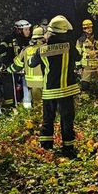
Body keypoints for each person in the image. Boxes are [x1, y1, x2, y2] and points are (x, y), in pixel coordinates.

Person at [29, 16, 81, 159]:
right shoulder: (69, 46)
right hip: (66, 90)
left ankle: (46, 147)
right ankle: (68, 147)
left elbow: (31, 63)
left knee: (48, 118)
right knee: (67, 119)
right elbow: (78, 57)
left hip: (49, 91)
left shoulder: (42, 50)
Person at [7, 26, 45, 109]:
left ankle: (33, 115)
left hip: (31, 84)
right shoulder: (46, 49)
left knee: (37, 104)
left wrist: (9, 69)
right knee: (46, 104)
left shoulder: (26, 50)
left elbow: (18, 65)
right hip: (46, 82)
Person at [0, 20, 32, 106]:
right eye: (26, 29)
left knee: (27, 88)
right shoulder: (10, 39)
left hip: (26, 69)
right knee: (9, 85)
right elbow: (2, 49)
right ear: (19, 30)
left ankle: (26, 107)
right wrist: (7, 62)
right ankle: (10, 106)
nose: (28, 31)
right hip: (13, 68)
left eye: (28, 29)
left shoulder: (30, 40)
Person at [76, 19, 98, 95]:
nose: (89, 29)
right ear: (84, 29)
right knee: (85, 83)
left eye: (90, 27)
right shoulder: (81, 41)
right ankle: (85, 98)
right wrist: (78, 66)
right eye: (87, 28)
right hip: (87, 65)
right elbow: (77, 54)